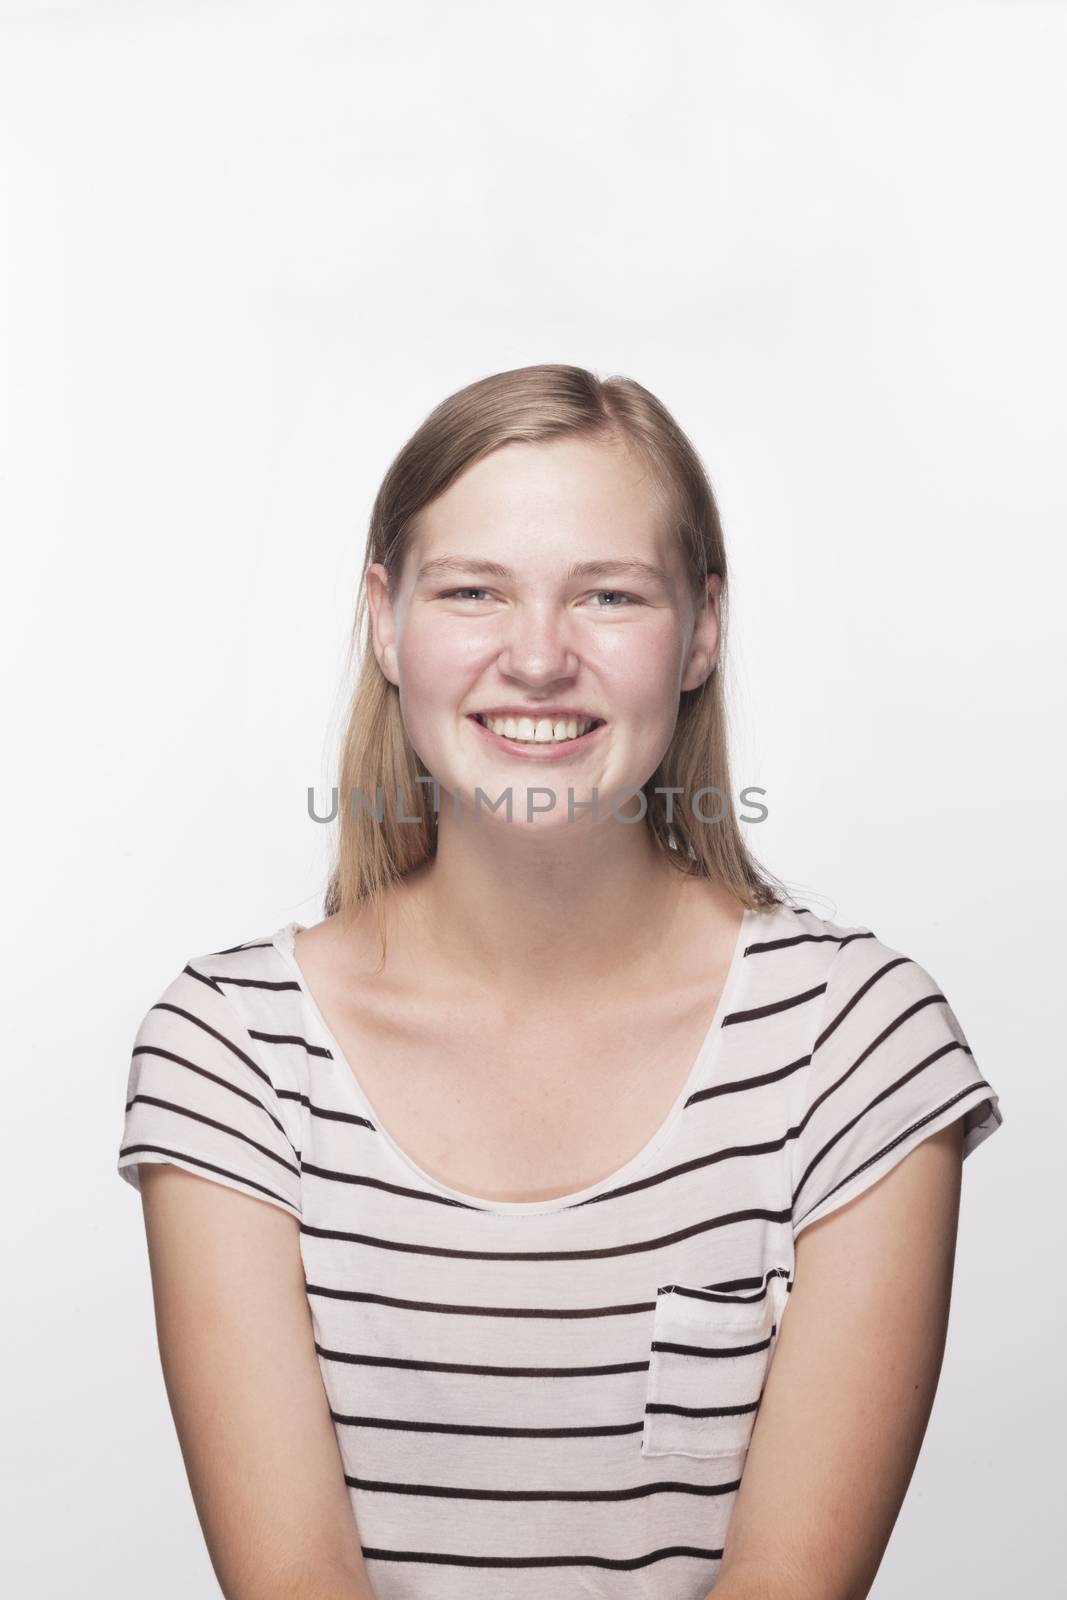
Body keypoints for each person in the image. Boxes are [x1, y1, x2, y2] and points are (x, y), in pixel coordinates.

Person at [116, 363, 1003, 1600]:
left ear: (700, 630)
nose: (537, 657)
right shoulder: (233, 1052)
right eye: (473, 590)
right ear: (385, 619)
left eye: (608, 595)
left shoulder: (851, 1046)